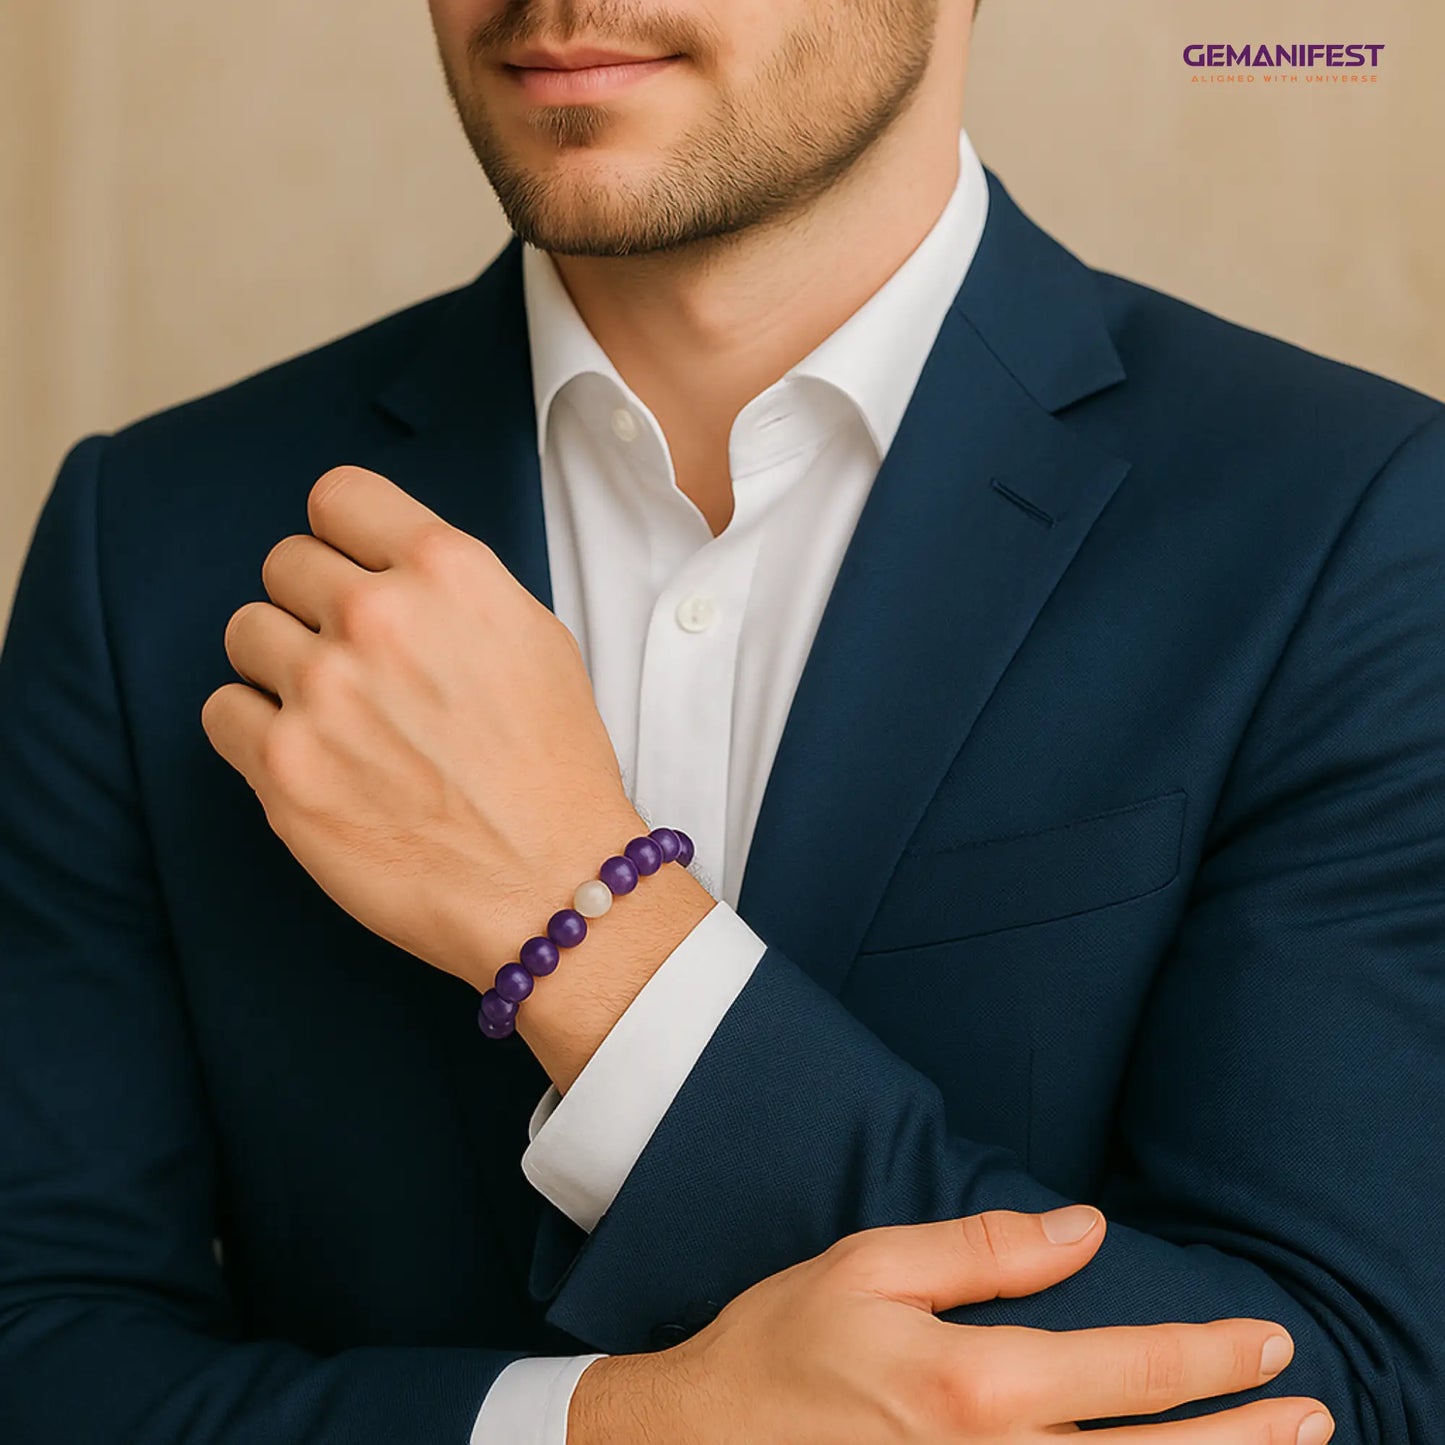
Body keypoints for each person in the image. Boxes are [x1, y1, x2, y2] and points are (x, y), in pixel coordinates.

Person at [1, 0, 1441, 1440]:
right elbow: (36, 1355)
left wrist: (584, 925)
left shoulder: (1352, 526)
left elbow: (1341, 1397)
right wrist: (607, 1427)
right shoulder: (147, 543)